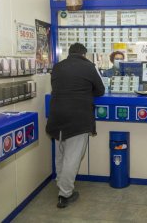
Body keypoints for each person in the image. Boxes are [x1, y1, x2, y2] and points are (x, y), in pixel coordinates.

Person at [46, 43, 105, 208]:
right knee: (72, 157)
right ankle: (65, 194)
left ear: (69, 53)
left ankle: (60, 183)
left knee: (61, 154)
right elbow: (100, 90)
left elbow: (57, 87)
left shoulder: (57, 67)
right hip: (78, 118)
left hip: (56, 116)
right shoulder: (89, 67)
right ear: (84, 54)